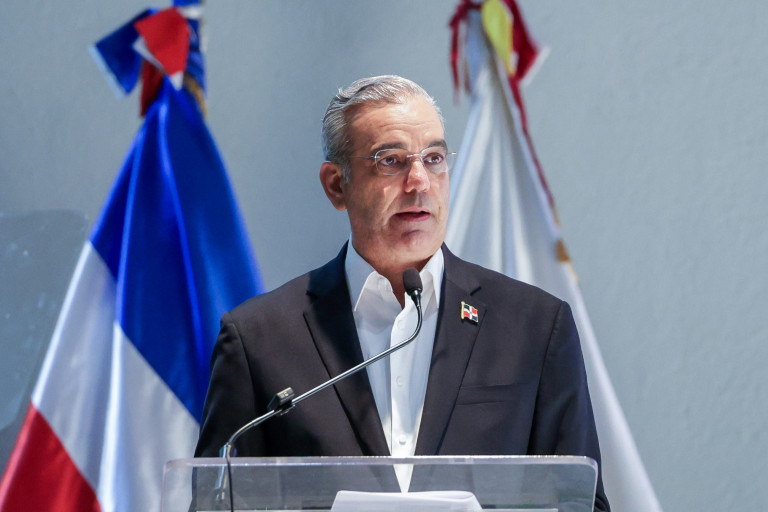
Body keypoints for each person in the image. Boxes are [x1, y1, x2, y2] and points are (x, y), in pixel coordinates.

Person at [195, 75, 609, 511]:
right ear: (336, 185)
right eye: (390, 161)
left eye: (433, 159)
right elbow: (215, 505)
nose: (419, 182)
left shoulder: (534, 327)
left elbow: (581, 503)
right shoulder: (258, 339)